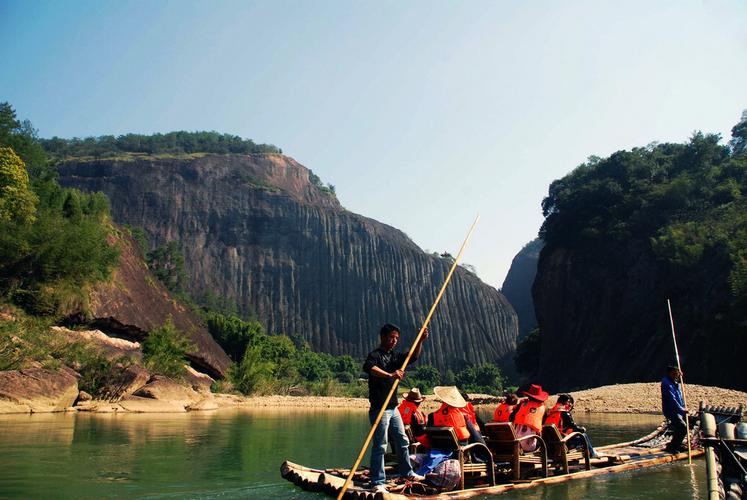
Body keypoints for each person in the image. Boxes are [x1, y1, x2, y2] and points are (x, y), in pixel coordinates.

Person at [363, 323, 429, 493]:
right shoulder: (375, 355)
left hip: (393, 407)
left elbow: (413, 356)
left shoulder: (395, 357)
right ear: (383, 337)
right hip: (380, 408)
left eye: (396, 338)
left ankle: (408, 472)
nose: (394, 341)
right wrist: (390, 375)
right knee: (380, 444)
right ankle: (378, 481)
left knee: (402, 440)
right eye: (391, 337)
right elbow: (370, 368)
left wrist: (420, 340)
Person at [545, 393, 599, 458]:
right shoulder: (564, 413)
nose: (570, 404)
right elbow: (573, 427)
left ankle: (586, 450)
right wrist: (582, 429)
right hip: (562, 442)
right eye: (569, 402)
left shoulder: (550, 412)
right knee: (584, 435)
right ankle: (592, 454)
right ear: (566, 402)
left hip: (550, 443)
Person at [510, 384, 548, 452]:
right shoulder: (543, 408)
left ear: (529, 396)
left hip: (515, 444)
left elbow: (511, 417)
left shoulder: (522, 404)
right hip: (530, 446)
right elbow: (544, 423)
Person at [661, 365, 688, 453]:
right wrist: (681, 409)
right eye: (675, 373)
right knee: (683, 428)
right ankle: (673, 447)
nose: (676, 375)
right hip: (671, 410)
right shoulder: (666, 383)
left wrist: (679, 378)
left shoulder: (673, 382)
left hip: (677, 410)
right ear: (670, 373)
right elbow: (672, 399)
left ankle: (675, 445)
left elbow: (679, 395)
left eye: (677, 373)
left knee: (679, 428)